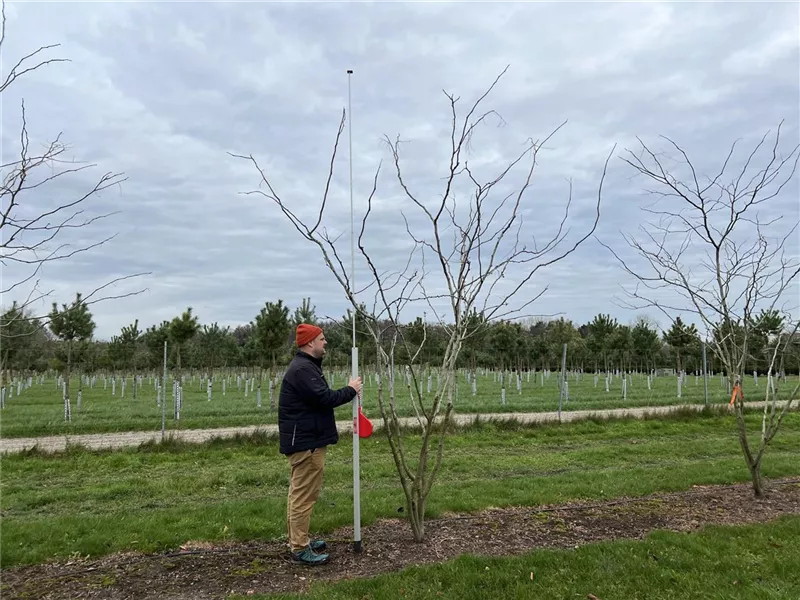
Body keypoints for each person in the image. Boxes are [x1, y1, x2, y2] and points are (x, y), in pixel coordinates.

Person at [278, 323, 362, 566]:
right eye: (322, 339)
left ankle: (299, 539)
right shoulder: (303, 369)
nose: (325, 343)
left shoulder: (305, 367)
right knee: (304, 496)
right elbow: (324, 398)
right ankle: (299, 548)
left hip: (307, 440)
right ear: (310, 342)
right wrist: (351, 390)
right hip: (307, 444)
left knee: (300, 494)